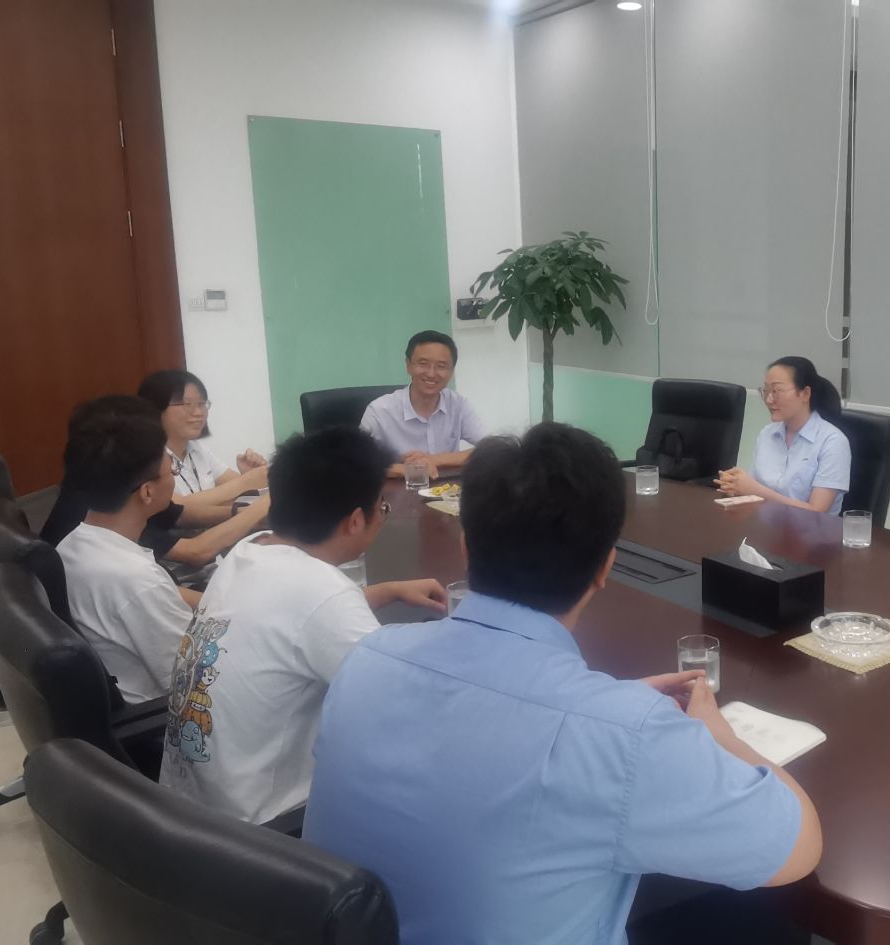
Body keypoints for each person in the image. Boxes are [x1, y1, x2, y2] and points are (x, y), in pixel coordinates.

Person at [305, 423, 822, 945]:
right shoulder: (622, 737)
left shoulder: (367, 660)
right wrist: (718, 735)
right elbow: (798, 848)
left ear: (466, 547)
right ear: (606, 568)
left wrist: (611, 710)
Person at [160, 427, 446, 826]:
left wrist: (385, 591)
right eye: (382, 507)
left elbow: (290, 616)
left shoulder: (252, 549)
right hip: (263, 829)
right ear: (355, 520)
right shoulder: (323, 594)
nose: (383, 515)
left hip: (186, 807)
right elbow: (405, 710)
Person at [52, 397, 197, 703]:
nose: (174, 476)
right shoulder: (136, 580)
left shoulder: (73, 544)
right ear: (147, 492)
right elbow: (196, 683)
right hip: (163, 716)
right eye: (172, 470)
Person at [40, 396, 271, 570]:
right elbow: (196, 552)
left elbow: (180, 513)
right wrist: (260, 505)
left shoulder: (110, 479)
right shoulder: (108, 514)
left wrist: (243, 512)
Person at [716, 356, 851, 514]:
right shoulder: (767, 434)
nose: (769, 399)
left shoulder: (833, 442)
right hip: (763, 525)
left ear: (805, 393)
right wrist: (734, 487)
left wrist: (755, 490)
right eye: (766, 391)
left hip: (810, 529)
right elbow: (752, 491)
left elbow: (817, 512)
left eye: (776, 391)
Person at [358, 329, 488, 479]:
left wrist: (434, 460)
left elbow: (492, 449)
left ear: (452, 372)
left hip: (446, 490)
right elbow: (356, 462)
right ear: (408, 366)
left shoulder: (458, 405)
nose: (431, 373)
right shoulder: (379, 411)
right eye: (423, 364)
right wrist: (405, 469)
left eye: (441, 366)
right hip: (399, 490)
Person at [138, 369, 269, 501]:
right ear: (156, 407)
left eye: (201, 404)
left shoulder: (197, 448)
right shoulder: (145, 457)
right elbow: (179, 508)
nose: (199, 412)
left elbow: (238, 489)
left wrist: (250, 475)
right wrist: (246, 482)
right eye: (187, 404)